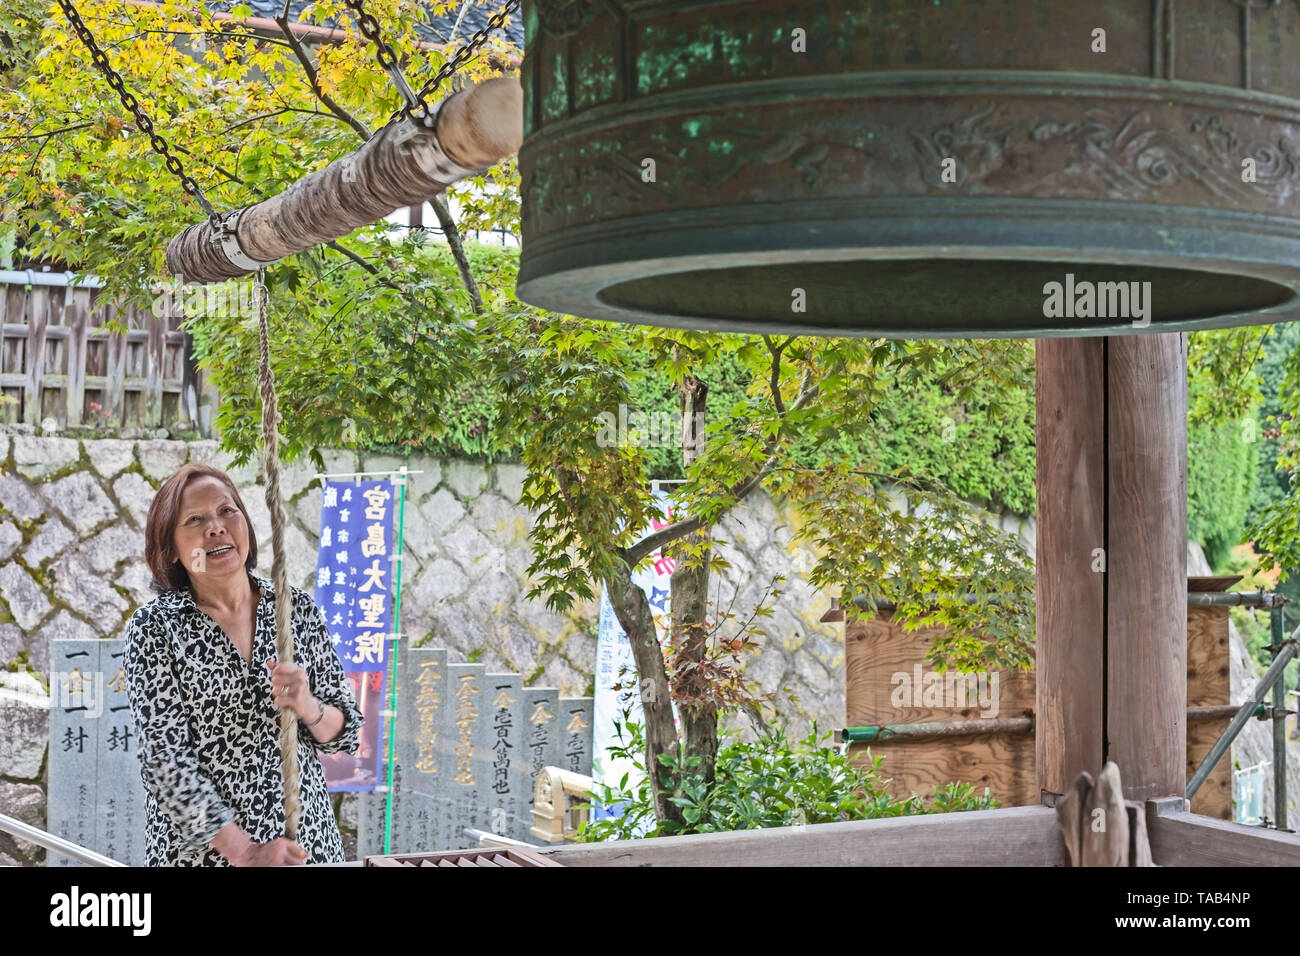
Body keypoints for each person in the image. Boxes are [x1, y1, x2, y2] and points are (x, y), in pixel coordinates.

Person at [123, 462, 364, 866]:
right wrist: (245, 853)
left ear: (246, 526)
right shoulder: (154, 629)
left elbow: (346, 735)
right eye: (195, 520)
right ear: (172, 549)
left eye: (226, 511)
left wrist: (307, 706)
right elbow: (165, 761)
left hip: (305, 846)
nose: (215, 527)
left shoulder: (295, 608)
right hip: (203, 858)